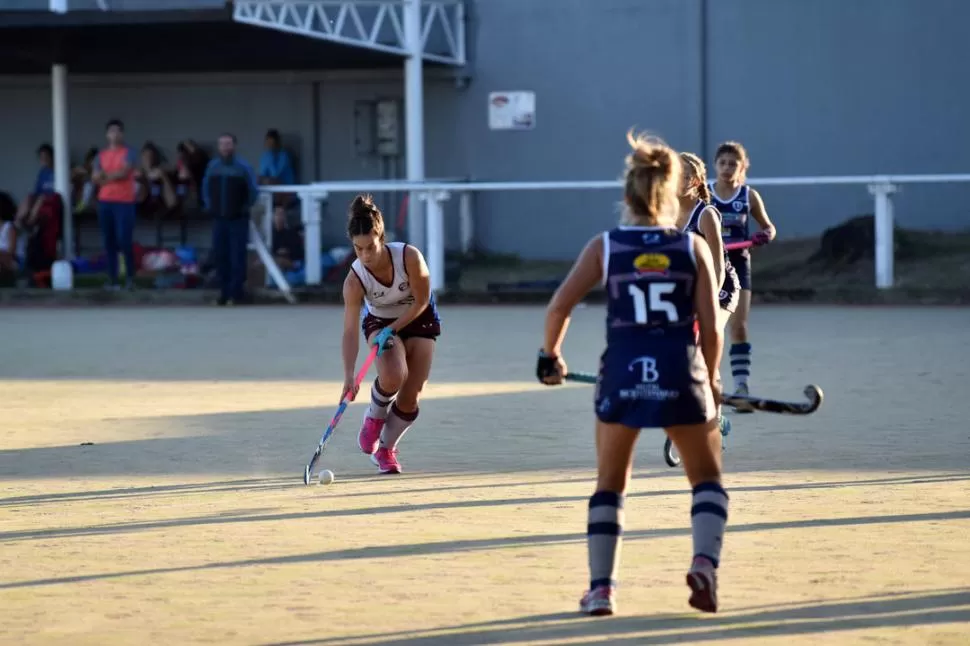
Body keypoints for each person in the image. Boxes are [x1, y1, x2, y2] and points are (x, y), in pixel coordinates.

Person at [536, 132, 726, 616]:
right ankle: (704, 564)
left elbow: (560, 306)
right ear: (669, 194)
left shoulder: (606, 246)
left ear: (628, 194)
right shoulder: (692, 247)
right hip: (682, 372)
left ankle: (601, 589)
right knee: (706, 480)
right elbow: (709, 328)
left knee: (610, 483)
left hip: (622, 373)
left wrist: (550, 356)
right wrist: (713, 380)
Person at [339, 194, 440, 475]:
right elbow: (349, 330)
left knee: (411, 397)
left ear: (380, 236)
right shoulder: (354, 279)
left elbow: (421, 301)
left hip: (418, 317)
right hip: (378, 321)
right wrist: (349, 374)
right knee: (394, 374)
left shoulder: (409, 257)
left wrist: (393, 329)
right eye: (358, 249)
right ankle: (373, 418)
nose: (365, 256)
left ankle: (386, 449)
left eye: (370, 247)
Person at [678, 151, 741, 440]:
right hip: (689, 290)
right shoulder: (664, 214)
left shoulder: (705, 214)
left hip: (722, 289)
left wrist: (709, 308)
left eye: (686, 175)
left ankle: (712, 421)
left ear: (697, 181)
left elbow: (717, 266)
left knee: (706, 349)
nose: (679, 179)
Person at [709, 141, 776, 408]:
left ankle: (741, 387)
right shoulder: (705, 195)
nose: (727, 168)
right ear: (715, 165)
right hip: (710, 264)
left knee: (739, 326)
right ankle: (706, 383)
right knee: (707, 327)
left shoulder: (748, 196)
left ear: (742, 167)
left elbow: (769, 227)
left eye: (732, 163)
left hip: (737, 264)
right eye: (722, 163)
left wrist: (764, 235)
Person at [201, 133, 259, 306]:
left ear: (234, 146)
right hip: (219, 219)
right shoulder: (213, 167)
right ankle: (223, 294)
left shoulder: (243, 167)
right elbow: (205, 189)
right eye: (222, 144)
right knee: (221, 257)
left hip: (238, 219)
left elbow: (253, 191)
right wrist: (210, 206)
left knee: (237, 257)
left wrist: (243, 208)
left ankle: (236, 294)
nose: (225, 147)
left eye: (228, 143)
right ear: (219, 147)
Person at [92, 119, 139, 290]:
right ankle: (112, 278)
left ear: (122, 134)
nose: (114, 134)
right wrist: (108, 176)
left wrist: (105, 177)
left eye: (117, 131)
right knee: (109, 241)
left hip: (124, 202)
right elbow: (95, 177)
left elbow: (124, 173)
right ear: (107, 134)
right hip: (105, 201)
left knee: (124, 240)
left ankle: (130, 278)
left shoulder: (129, 152)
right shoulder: (101, 155)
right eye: (111, 131)